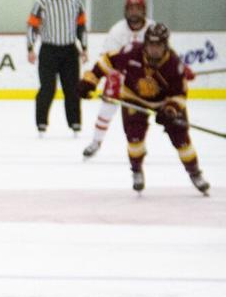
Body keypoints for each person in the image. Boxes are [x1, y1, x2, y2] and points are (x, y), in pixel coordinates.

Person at [78, 23, 210, 195]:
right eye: (151, 44)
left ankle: (194, 172)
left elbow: (180, 94)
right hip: (134, 99)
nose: (154, 49)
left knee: (181, 138)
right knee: (134, 138)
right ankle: (137, 170)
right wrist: (90, 80)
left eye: (159, 45)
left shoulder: (173, 63)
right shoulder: (131, 52)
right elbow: (106, 61)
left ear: (166, 45)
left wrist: (170, 110)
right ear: (145, 43)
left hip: (163, 102)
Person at [82, 0, 153, 158]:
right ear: (126, 11)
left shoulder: (152, 28)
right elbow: (107, 58)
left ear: (144, 11)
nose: (134, 12)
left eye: (138, 9)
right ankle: (96, 142)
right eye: (131, 8)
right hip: (119, 77)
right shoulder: (117, 30)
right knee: (106, 109)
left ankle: (139, 143)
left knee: (138, 115)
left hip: (143, 79)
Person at [26, 0, 88, 136]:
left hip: (69, 51)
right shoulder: (42, 2)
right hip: (48, 51)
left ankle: (75, 122)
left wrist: (84, 48)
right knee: (47, 88)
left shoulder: (76, 1)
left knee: (72, 88)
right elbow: (32, 26)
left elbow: (81, 27)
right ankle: (41, 123)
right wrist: (30, 48)